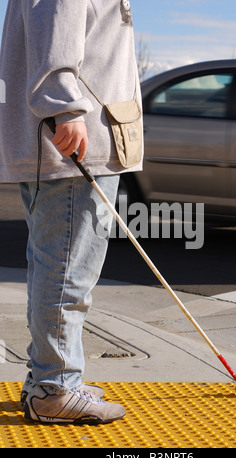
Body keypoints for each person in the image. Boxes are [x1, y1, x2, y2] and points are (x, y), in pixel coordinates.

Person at [0, 0, 143, 424]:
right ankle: (55, 386)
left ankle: (49, 377)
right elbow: (54, 25)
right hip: (76, 145)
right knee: (68, 270)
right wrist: (65, 108)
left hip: (73, 141)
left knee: (55, 265)